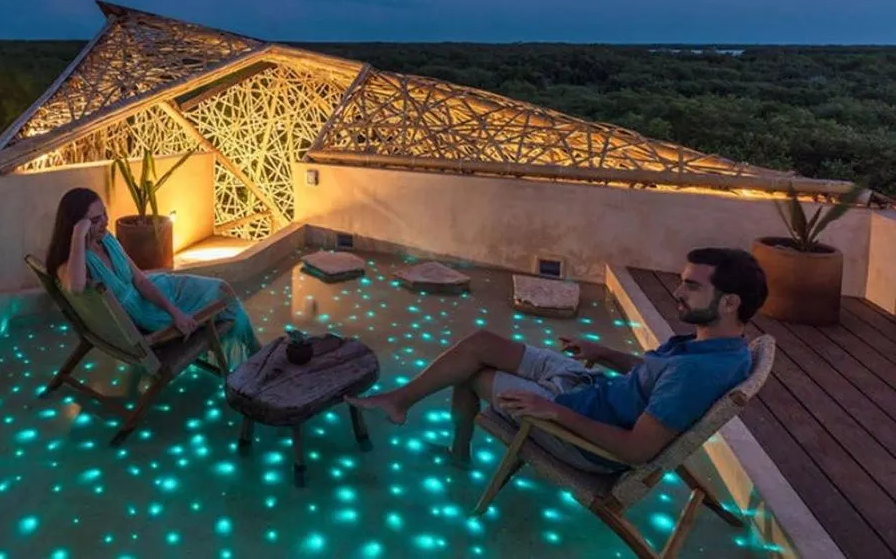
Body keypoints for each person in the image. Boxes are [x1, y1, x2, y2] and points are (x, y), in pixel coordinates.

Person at [347, 247, 766, 471]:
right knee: (479, 343)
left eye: (691, 287)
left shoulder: (698, 372)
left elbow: (636, 450)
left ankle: (458, 454)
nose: (677, 292)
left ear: (729, 302)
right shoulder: (716, 347)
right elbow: (654, 377)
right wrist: (604, 352)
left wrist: (551, 411)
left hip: (582, 431)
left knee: (472, 371)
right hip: (591, 391)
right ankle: (401, 399)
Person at [45, 187, 261, 365]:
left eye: (104, 214)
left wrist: (174, 311)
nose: (105, 222)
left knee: (222, 288)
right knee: (223, 301)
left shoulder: (106, 241)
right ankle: (256, 355)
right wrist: (77, 238)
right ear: (77, 227)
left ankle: (255, 351)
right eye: (95, 219)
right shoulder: (69, 264)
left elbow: (139, 280)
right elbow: (76, 287)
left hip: (155, 292)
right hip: (146, 314)